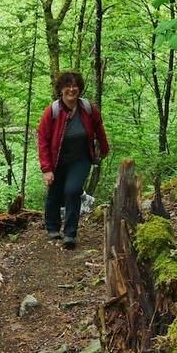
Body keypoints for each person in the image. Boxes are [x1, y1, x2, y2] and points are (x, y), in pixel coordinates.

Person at [36, 71, 109, 249]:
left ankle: (70, 233)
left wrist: (104, 148)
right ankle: (53, 227)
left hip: (80, 159)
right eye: (67, 86)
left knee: (73, 190)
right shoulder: (52, 111)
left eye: (75, 86)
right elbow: (43, 139)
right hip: (57, 159)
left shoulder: (87, 109)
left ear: (80, 88)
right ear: (60, 89)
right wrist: (46, 169)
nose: (71, 89)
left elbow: (99, 128)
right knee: (55, 192)